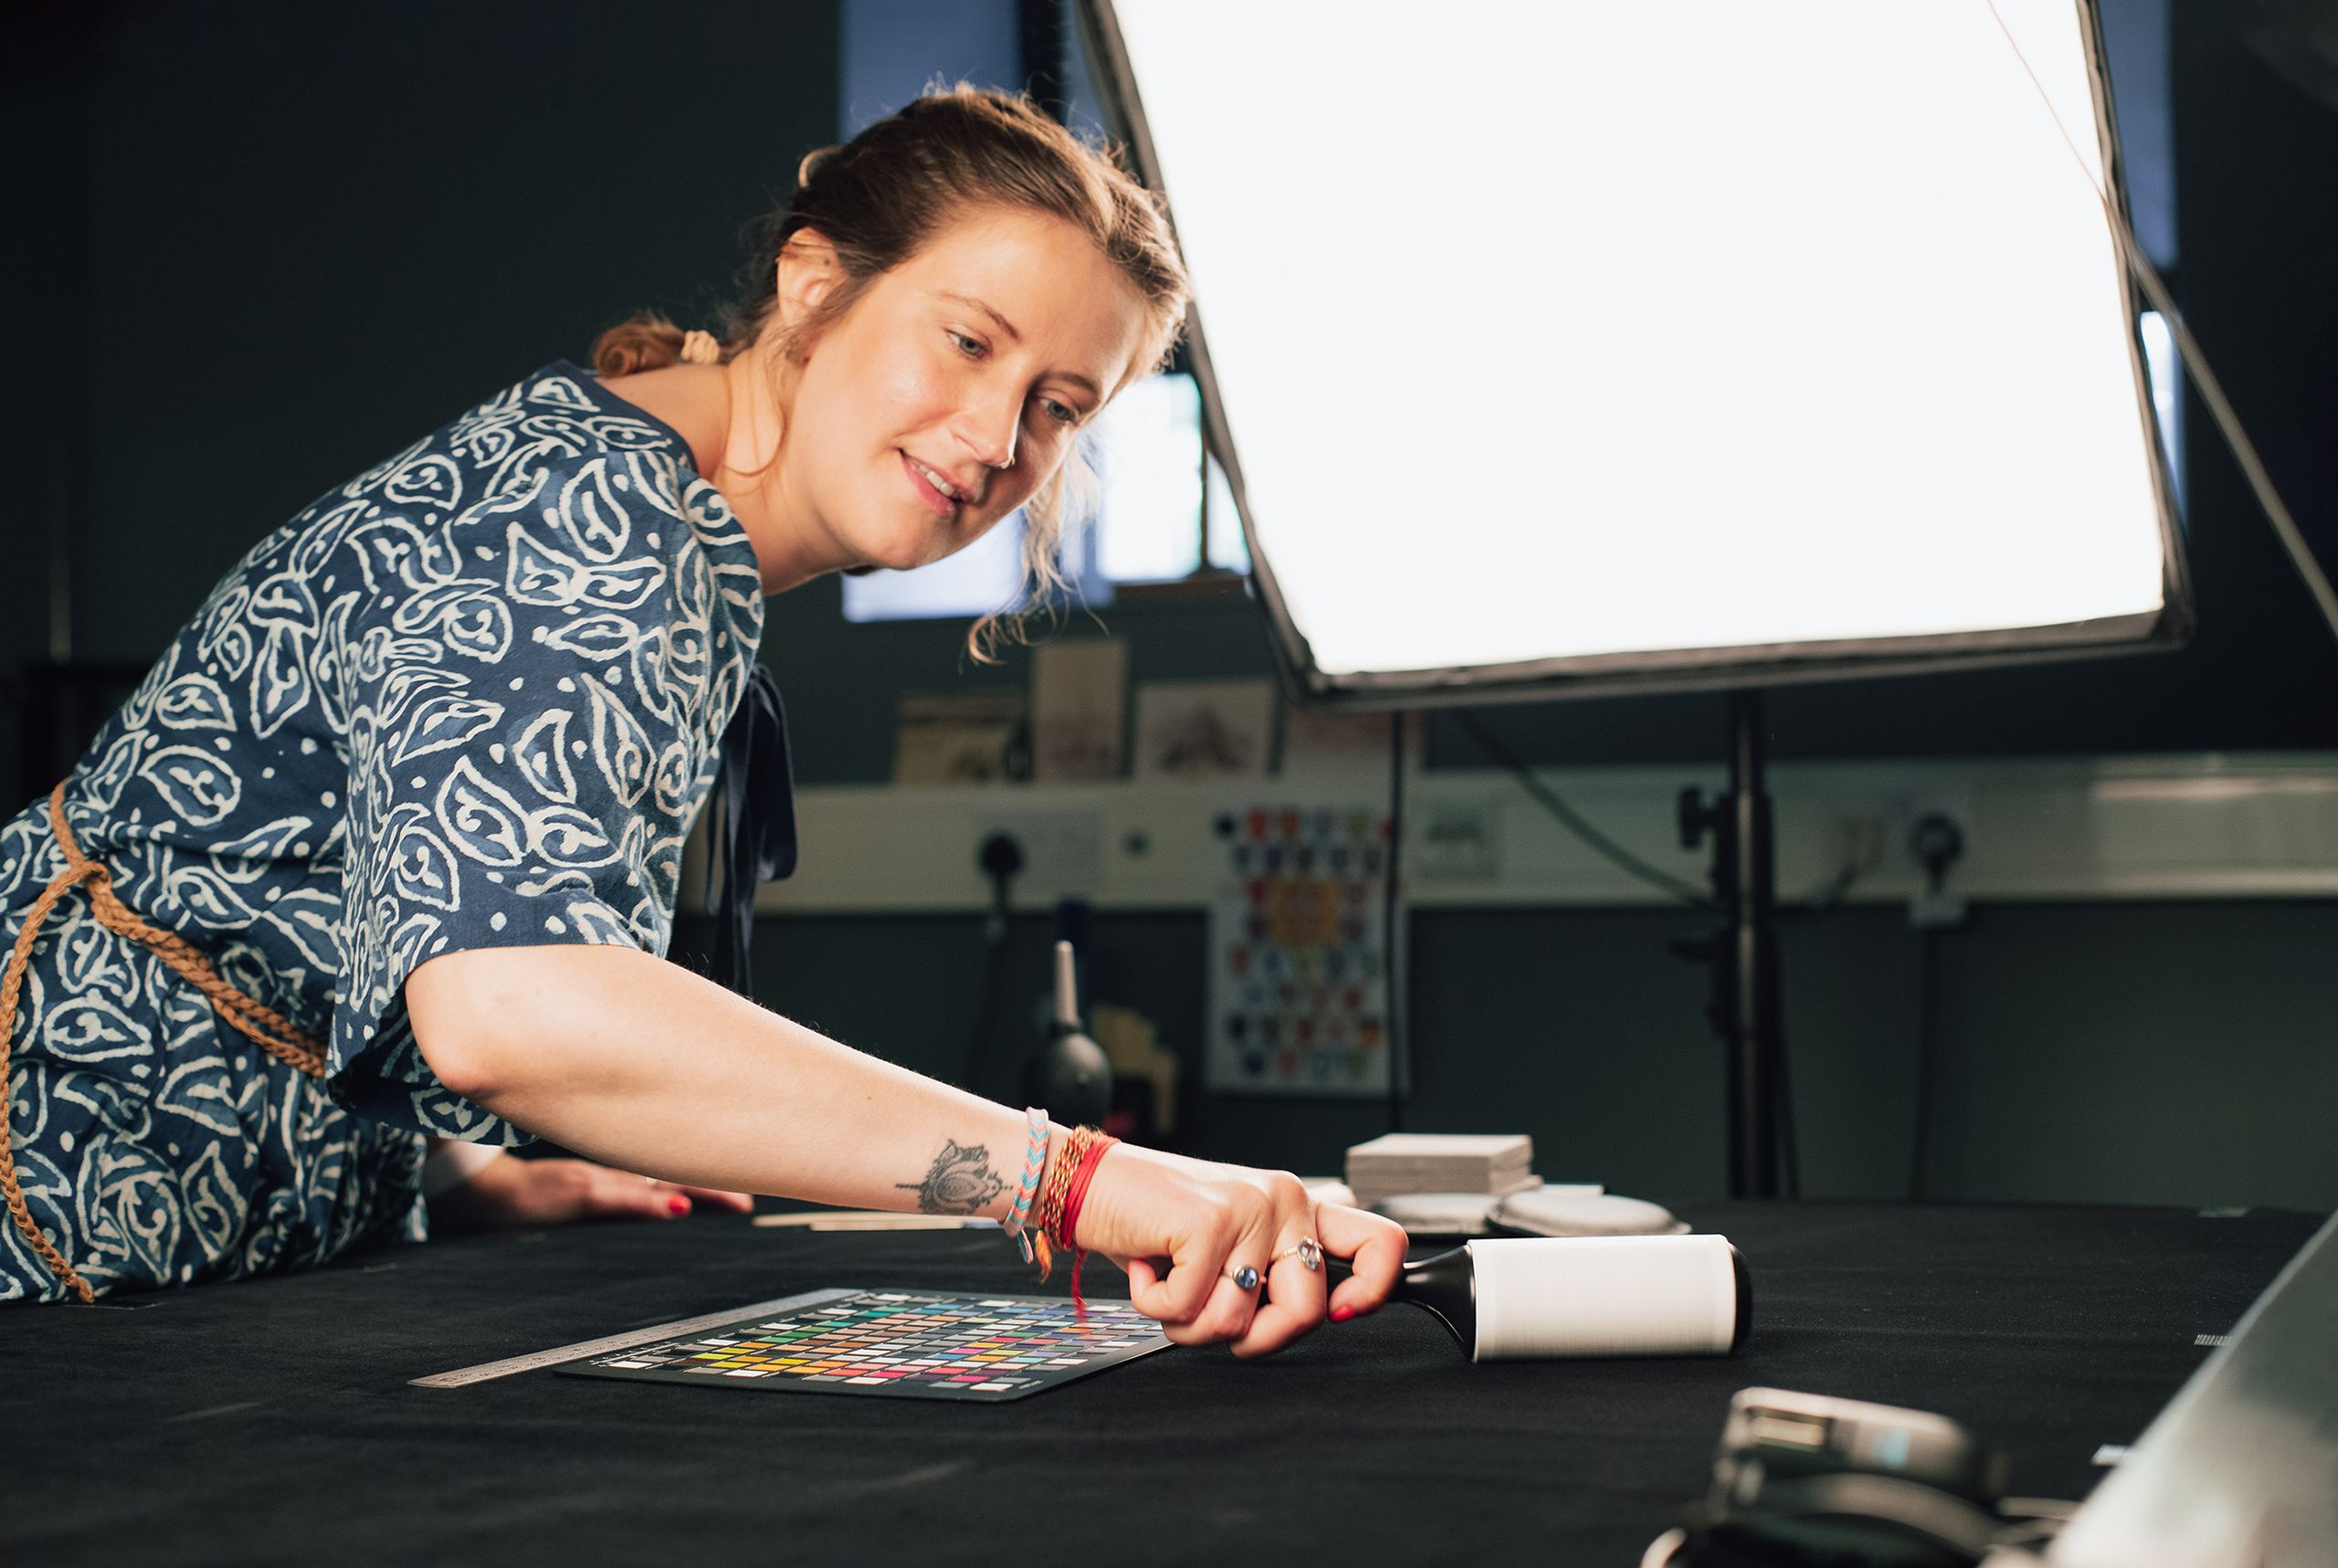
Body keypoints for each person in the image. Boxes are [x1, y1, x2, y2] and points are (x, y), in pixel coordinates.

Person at [0, 87, 1405, 1353]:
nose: (993, 440)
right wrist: (1072, 1175)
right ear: (814, 285)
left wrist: (472, 1169)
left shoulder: (641, 495)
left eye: (1056, 407)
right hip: (66, 1201)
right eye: (968, 341)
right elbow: (506, 1002)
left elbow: (317, 888)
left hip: (229, 1234)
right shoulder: (603, 518)